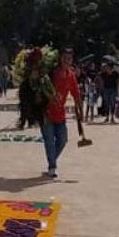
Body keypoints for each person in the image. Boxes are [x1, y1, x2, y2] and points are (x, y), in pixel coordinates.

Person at [40, 49, 84, 179]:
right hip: (46, 113)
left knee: (63, 140)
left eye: (70, 59)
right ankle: (52, 166)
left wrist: (80, 109)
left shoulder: (70, 75)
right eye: (65, 58)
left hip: (60, 114)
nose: (67, 61)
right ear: (60, 58)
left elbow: (76, 93)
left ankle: (51, 161)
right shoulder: (52, 73)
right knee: (49, 141)